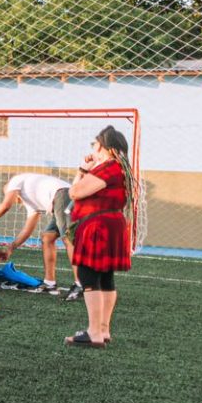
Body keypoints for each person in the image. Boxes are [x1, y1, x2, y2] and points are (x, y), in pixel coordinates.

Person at [66, 126, 134, 347]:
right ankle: (103, 330)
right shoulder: (118, 168)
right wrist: (88, 169)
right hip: (109, 224)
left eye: (95, 144)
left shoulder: (108, 168)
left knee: (88, 276)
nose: (93, 148)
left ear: (105, 147)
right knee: (105, 278)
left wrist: (82, 170)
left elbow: (74, 192)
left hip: (98, 226)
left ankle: (94, 332)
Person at [0, 171, 74, 292]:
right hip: (61, 199)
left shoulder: (15, 181)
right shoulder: (31, 203)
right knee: (47, 237)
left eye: (8, 194)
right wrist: (10, 248)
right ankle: (49, 283)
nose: (13, 199)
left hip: (64, 194)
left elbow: (6, 205)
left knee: (68, 239)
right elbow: (27, 230)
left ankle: (80, 284)